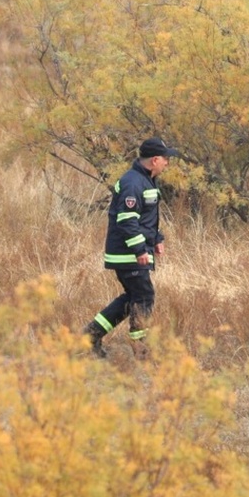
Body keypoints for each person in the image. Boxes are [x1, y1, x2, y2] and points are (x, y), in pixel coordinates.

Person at [85, 137, 180, 359]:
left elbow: (145, 218)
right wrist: (139, 250)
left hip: (131, 251)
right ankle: (141, 349)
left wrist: (157, 238)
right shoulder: (133, 182)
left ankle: (90, 335)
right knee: (144, 295)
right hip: (126, 253)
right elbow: (127, 220)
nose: (167, 163)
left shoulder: (146, 180)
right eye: (166, 159)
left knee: (132, 298)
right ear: (155, 160)